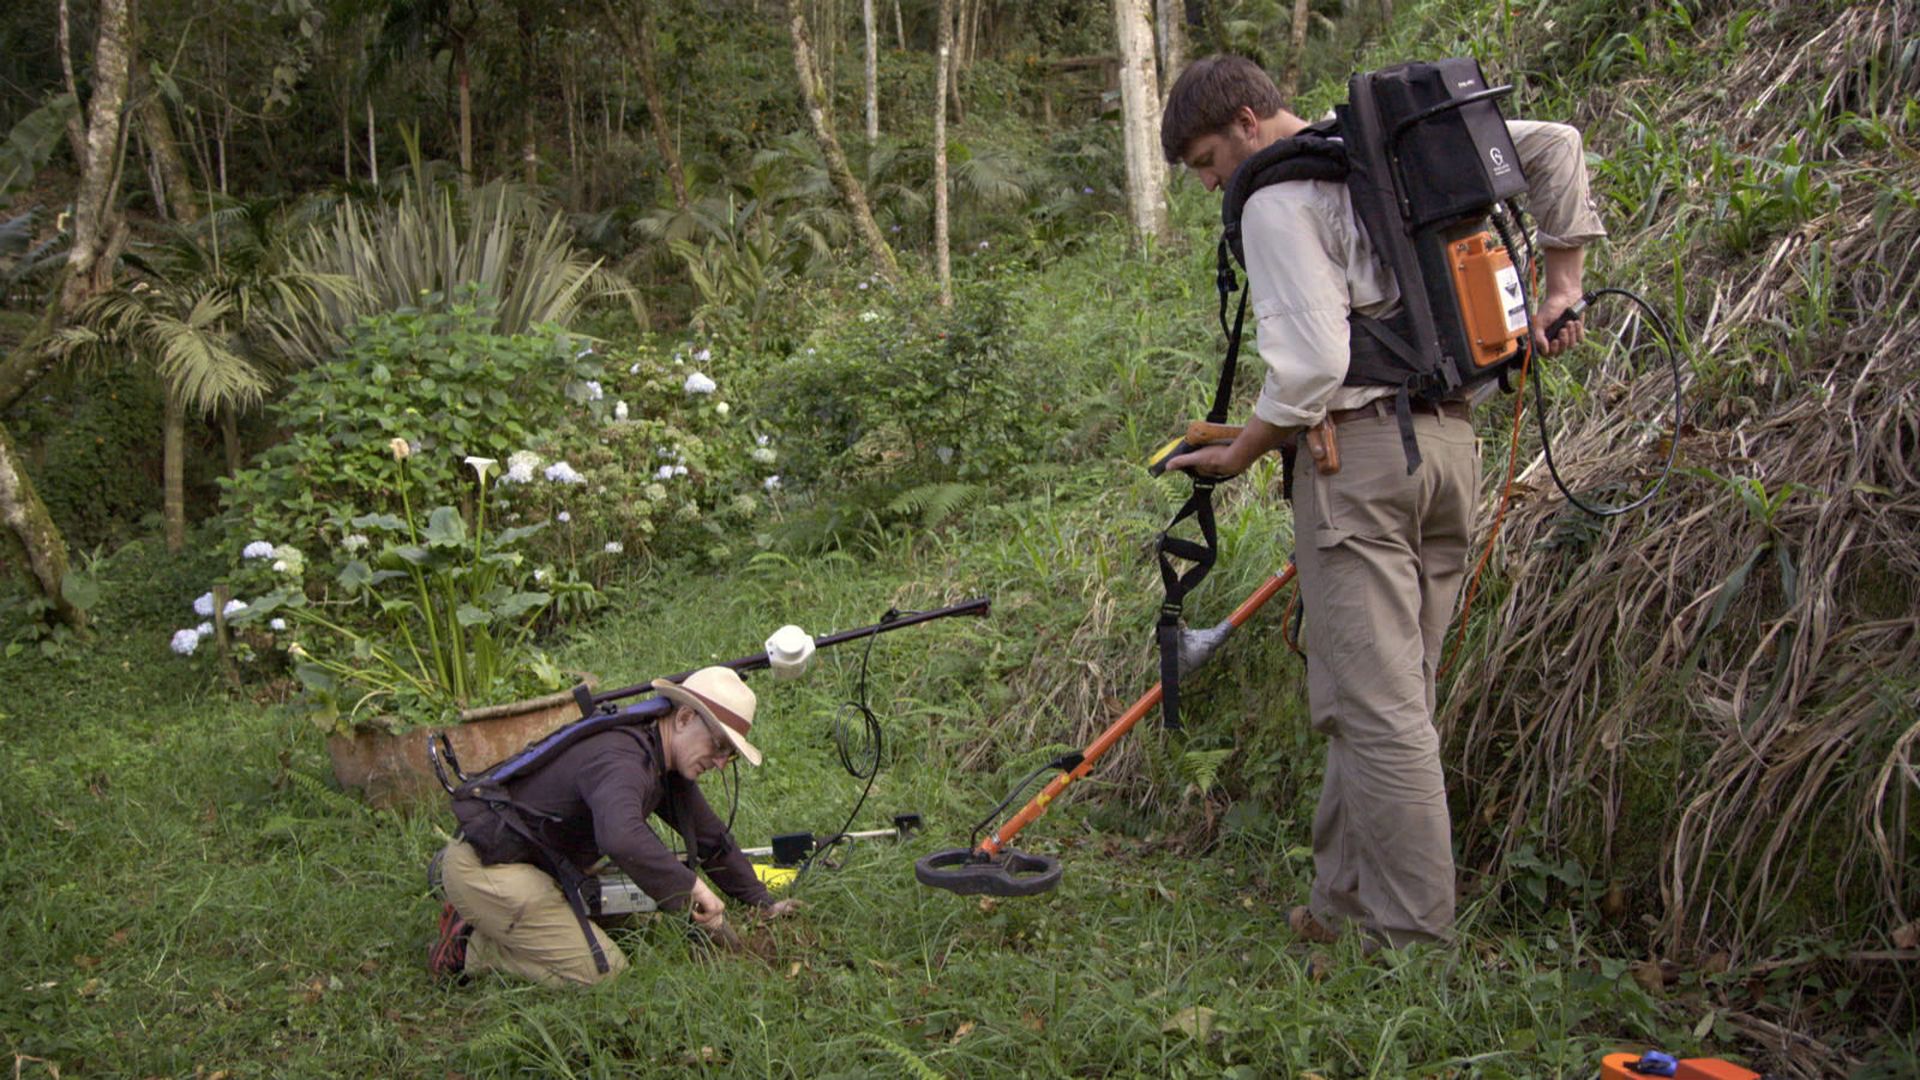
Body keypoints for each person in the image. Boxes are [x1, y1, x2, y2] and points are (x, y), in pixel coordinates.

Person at [1158, 56, 1606, 949]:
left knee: (1376, 708)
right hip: (1449, 450)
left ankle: (1407, 942)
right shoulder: (1389, 145)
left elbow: (1316, 367)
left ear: (1248, 121)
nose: (1212, 181)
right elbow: (1556, 149)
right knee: (1388, 698)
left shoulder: (1273, 197)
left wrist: (1240, 450)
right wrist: (1563, 288)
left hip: (1356, 460)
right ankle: (1341, 904)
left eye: (1208, 159)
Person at [428, 666, 799, 985]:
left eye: (729, 754)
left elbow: (712, 839)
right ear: (684, 718)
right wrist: (691, 885)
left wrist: (762, 901)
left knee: (638, 922)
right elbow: (620, 836)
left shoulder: (662, 757)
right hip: (494, 866)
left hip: (550, 864)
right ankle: (470, 947)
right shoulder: (622, 758)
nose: (720, 762)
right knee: (606, 974)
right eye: (718, 744)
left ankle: (521, 924)